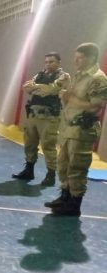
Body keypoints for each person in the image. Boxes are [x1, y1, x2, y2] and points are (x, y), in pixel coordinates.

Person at [46, 43, 107, 216]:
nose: (76, 62)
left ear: (92, 58)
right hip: (68, 127)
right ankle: (64, 197)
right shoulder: (79, 75)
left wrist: (70, 98)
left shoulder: (98, 78)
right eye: (76, 58)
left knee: (77, 168)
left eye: (80, 58)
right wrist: (65, 97)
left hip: (82, 130)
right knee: (63, 165)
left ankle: (74, 204)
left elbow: (96, 107)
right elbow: (71, 99)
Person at [13, 52, 70, 186]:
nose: (48, 64)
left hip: (49, 117)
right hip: (33, 115)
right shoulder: (40, 74)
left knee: (48, 146)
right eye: (46, 62)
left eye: (52, 62)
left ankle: (50, 175)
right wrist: (41, 89)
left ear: (59, 63)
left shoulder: (63, 76)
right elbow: (26, 87)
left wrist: (37, 88)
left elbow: (52, 90)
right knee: (29, 144)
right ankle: (29, 170)